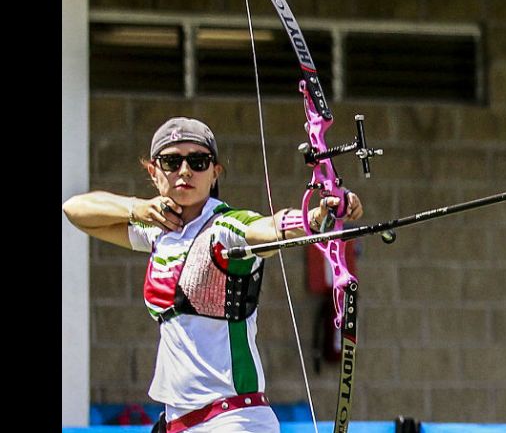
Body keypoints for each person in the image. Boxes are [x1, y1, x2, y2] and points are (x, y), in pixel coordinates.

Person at [62, 116, 364, 433]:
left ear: (215, 171)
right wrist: (136, 207)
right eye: (171, 161)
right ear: (154, 171)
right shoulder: (159, 233)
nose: (185, 171)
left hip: (232, 421)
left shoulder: (223, 226)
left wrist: (317, 217)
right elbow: (75, 210)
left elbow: (266, 228)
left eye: (198, 161)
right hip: (179, 423)